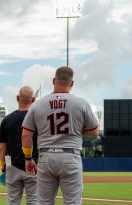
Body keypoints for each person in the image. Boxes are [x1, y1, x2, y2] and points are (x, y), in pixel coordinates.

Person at [22, 66, 99, 204]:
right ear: (72, 83)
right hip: (71, 156)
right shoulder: (81, 103)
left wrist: (28, 158)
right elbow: (94, 131)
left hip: (46, 157)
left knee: (44, 202)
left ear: (53, 80)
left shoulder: (37, 104)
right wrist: (75, 131)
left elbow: (25, 135)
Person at [0, 86, 38, 205]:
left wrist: (3, 166)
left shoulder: (7, 120)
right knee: (33, 202)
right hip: (34, 165)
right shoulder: (38, 119)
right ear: (33, 100)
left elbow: (2, 148)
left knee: (13, 202)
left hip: (13, 166)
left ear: (17, 98)